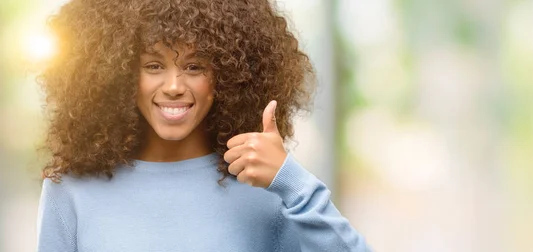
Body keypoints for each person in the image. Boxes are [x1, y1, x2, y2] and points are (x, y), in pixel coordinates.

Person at [36, 0, 371, 251]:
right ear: (119, 74)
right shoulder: (72, 190)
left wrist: (292, 182)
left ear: (228, 75)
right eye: (153, 65)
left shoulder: (268, 189)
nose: (173, 86)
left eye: (195, 66)